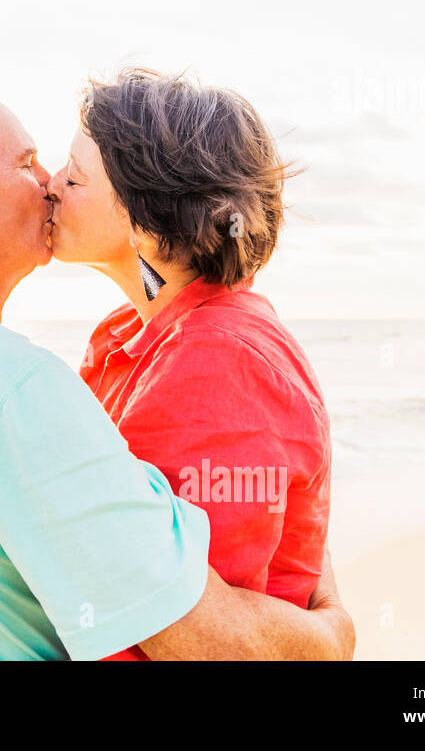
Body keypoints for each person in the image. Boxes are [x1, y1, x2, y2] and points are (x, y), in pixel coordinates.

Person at [0, 83, 352, 660]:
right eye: (30, 164)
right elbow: (208, 634)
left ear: (143, 212)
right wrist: (333, 634)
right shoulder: (16, 378)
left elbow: (210, 613)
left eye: (71, 174)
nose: (47, 183)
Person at [46, 68, 331, 661]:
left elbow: (190, 629)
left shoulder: (217, 362)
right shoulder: (135, 330)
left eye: (73, 177)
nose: (49, 187)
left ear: (145, 224)